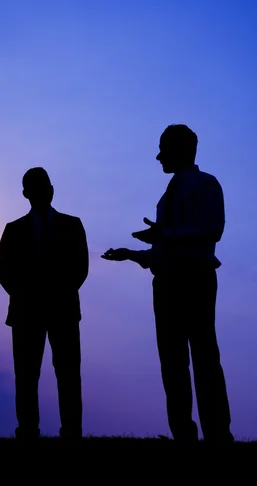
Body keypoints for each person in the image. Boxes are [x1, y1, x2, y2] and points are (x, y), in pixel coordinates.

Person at [102, 124, 234, 445]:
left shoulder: (206, 184)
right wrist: (133, 255)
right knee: (172, 361)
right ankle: (184, 435)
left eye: (164, 148)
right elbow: (167, 249)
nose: (158, 156)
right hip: (167, 283)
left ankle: (217, 435)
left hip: (196, 280)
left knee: (203, 357)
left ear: (182, 150)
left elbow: (212, 230)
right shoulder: (168, 195)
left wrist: (164, 235)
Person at [0, 167, 89, 441]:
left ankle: (71, 431)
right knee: (26, 375)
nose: (41, 190)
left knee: (68, 373)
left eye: (44, 185)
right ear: (26, 193)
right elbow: (5, 273)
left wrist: (56, 292)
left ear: (51, 189)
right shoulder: (13, 230)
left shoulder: (73, 225)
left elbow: (80, 268)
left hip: (63, 310)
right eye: (34, 186)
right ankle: (27, 430)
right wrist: (28, 295)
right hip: (27, 312)